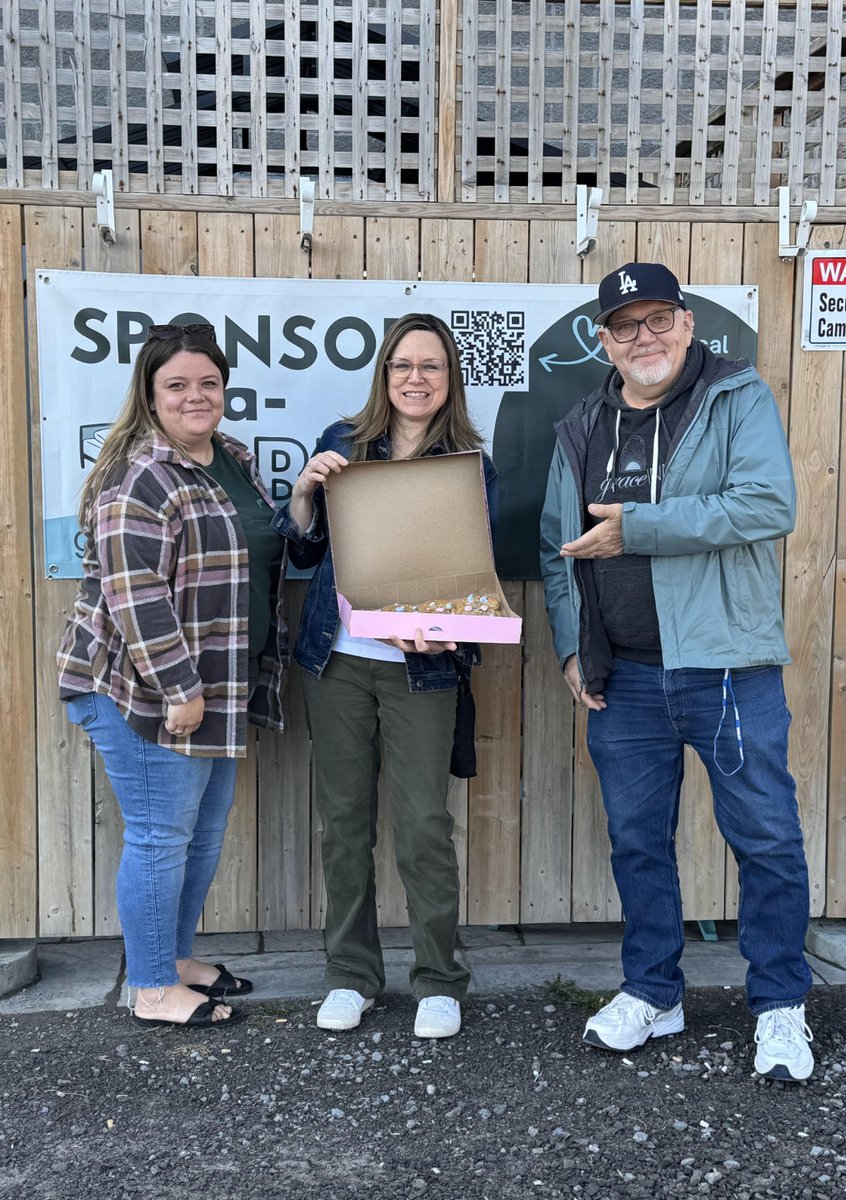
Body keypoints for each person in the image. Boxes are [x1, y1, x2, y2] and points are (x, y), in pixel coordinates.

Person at [540, 262, 814, 1081]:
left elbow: (770, 503)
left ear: (688, 324)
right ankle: (654, 992)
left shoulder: (737, 397)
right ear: (605, 341)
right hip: (622, 678)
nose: (644, 337)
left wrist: (643, 529)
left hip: (727, 668)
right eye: (626, 325)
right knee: (636, 843)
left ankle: (779, 1005)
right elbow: (557, 553)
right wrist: (570, 647)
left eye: (659, 319)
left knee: (765, 839)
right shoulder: (582, 425)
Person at [272, 312, 497, 1039]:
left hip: (421, 674)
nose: (416, 379)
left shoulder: (469, 465)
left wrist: (437, 631)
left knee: (425, 826)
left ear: (449, 379)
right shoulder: (341, 447)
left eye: (430, 366)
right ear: (384, 374)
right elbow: (305, 557)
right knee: (344, 825)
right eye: (403, 365)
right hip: (336, 665)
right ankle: (351, 975)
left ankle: (437, 979)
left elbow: (472, 579)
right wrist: (306, 493)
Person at [57, 324, 287, 1029]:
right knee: (161, 834)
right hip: (145, 690)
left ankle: (174, 957)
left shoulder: (232, 460)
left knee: (202, 831)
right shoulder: (139, 475)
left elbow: (261, 549)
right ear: (151, 398)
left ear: (225, 388)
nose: (197, 396)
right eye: (177, 385)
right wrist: (179, 690)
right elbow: (135, 594)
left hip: (217, 683)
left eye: (208, 383)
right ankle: (152, 987)